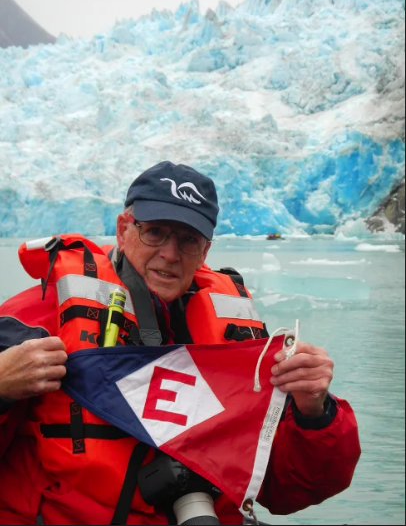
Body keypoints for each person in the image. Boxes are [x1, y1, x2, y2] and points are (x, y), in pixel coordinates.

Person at [0, 162, 361, 526]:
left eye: (188, 240)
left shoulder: (238, 340)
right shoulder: (37, 318)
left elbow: (288, 490)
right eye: (154, 232)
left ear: (205, 251)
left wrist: (314, 412)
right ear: (124, 230)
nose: (170, 255)